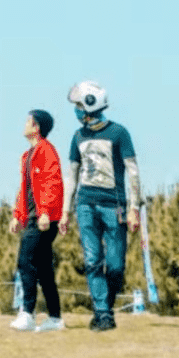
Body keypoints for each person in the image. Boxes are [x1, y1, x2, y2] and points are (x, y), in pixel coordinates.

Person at [61, 81, 141, 332]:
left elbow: (133, 171)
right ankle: (104, 314)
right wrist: (65, 211)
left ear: (89, 105)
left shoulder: (119, 133)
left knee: (116, 264)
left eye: (77, 105)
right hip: (85, 204)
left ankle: (104, 308)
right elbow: (72, 176)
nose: (75, 110)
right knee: (93, 259)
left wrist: (134, 208)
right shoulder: (77, 137)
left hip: (114, 205)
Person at [9, 110, 64, 332]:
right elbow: (25, 191)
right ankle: (55, 318)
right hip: (33, 217)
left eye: (27, 121)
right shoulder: (27, 155)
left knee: (25, 261)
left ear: (37, 126)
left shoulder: (46, 151)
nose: (24, 124)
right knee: (43, 269)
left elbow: (52, 182)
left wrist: (45, 212)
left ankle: (27, 313)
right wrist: (17, 215)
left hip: (43, 219)